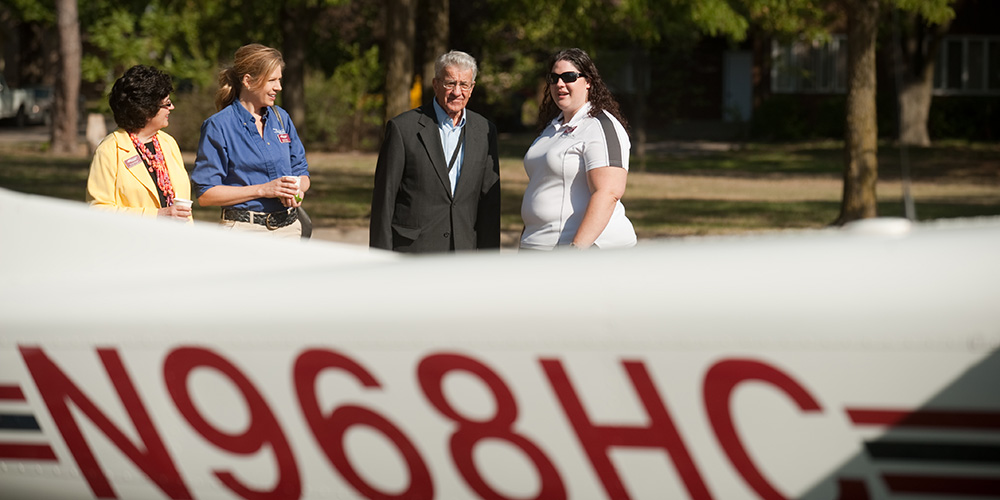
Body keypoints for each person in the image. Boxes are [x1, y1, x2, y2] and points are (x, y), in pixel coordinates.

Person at [370, 50, 501, 253]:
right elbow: (384, 200)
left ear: (472, 88)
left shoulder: (485, 130)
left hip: (464, 252)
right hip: (414, 252)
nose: (457, 91)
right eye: (450, 83)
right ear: (436, 84)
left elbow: (489, 204)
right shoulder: (403, 128)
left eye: (464, 84)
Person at [520, 48, 636, 251]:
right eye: (554, 78)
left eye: (569, 77)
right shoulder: (551, 127)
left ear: (588, 81)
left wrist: (576, 249)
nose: (560, 84)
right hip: (538, 245)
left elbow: (608, 192)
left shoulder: (600, 126)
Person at [191, 43, 309, 238]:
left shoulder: (282, 118)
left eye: (279, 80)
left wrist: (297, 189)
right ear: (248, 81)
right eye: (272, 80)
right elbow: (206, 194)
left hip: (289, 230)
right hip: (244, 232)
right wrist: (263, 190)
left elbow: (302, 173)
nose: (278, 87)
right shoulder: (218, 126)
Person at [86, 65, 192, 220]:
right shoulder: (110, 150)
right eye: (167, 103)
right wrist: (157, 215)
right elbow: (98, 210)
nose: (172, 107)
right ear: (147, 109)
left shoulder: (168, 143)